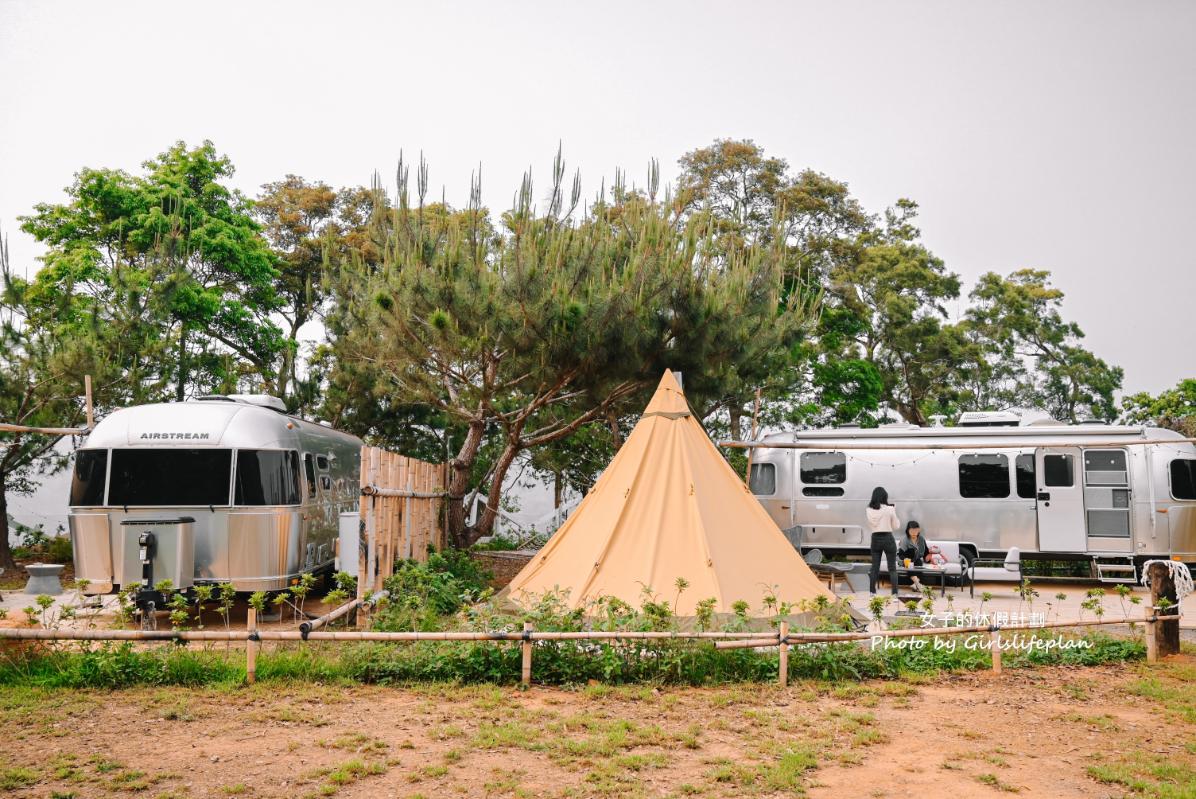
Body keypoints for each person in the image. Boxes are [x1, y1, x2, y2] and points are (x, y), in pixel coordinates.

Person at [866, 486, 900, 595]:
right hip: (888, 538)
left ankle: (872, 592)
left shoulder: (868, 509)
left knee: (875, 567)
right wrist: (894, 511)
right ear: (885, 496)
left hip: (875, 538)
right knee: (892, 568)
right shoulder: (889, 509)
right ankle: (894, 594)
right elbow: (896, 526)